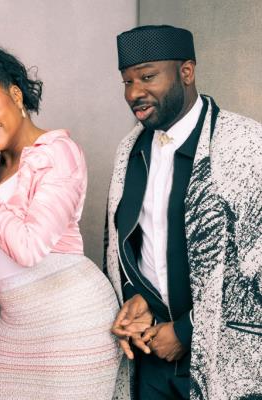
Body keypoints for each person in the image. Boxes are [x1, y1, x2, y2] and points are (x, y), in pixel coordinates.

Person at [0, 42, 121, 399]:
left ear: (14, 93)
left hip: (73, 318)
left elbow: (28, 247)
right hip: (18, 322)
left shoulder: (57, 153)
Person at [105, 25, 262, 399]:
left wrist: (187, 330)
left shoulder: (246, 145)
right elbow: (126, 246)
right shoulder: (130, 149)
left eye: (147, 77)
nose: (134, 93)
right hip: (152, 358)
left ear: (186, 72)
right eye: (127, 81)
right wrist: (137, 297)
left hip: (227, 360)